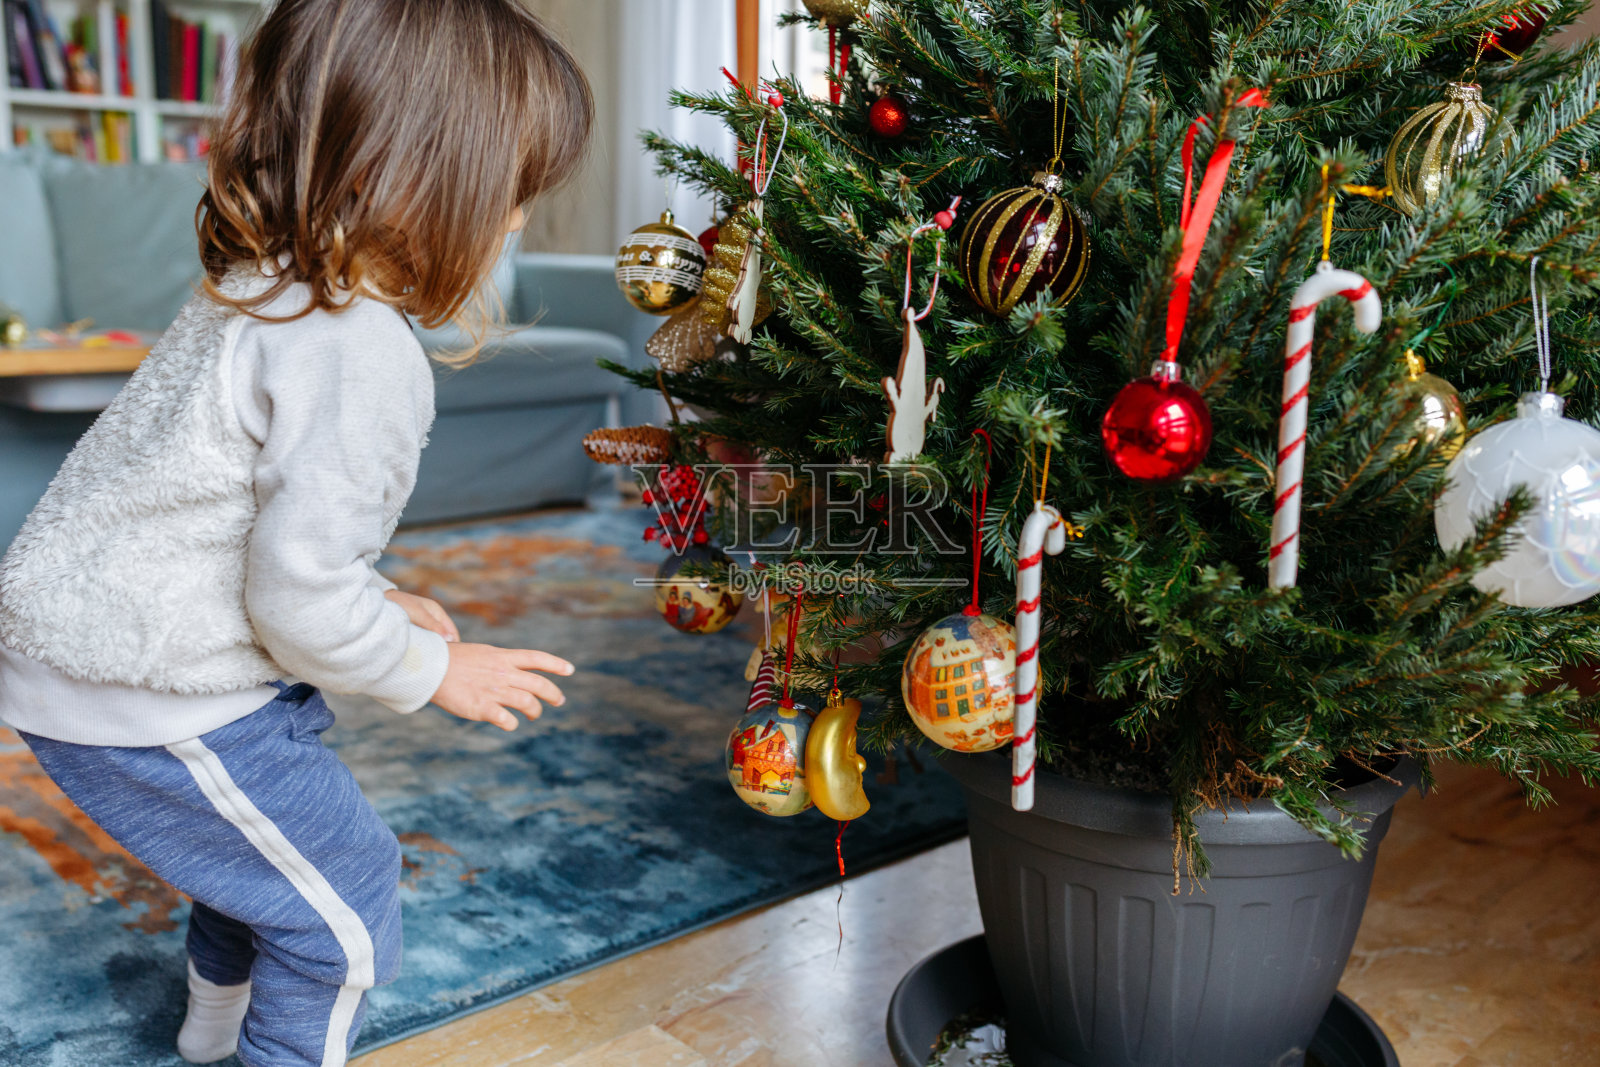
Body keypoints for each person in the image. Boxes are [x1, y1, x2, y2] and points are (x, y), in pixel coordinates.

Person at [0, 2, 592, 1064]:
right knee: (344, 905)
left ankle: (210, 1032)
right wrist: (432, 668)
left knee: (265, 861)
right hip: (146, 684)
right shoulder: (356, 346)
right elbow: (299, 600)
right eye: (512, 188)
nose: (514, 222)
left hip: (93, 640)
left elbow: (230, 511)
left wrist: (380, 596)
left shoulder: (265, 286)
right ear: (429, 173)